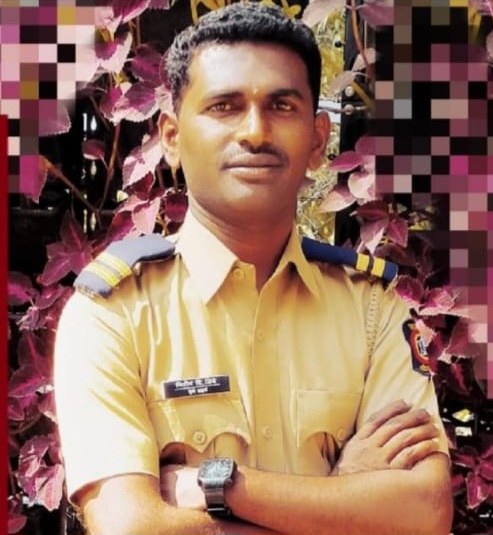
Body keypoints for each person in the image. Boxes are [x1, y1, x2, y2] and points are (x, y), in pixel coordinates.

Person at [53, 2, 453, 534]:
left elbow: (423, 514)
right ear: (171, 137)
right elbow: (130, 527)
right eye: (224, 106)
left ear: (317, 139)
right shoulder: (113, 314)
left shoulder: (372, 310)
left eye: (281, 106)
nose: (256, 132)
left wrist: (220, 486)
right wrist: (341, 497)